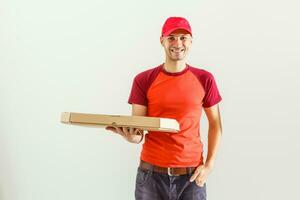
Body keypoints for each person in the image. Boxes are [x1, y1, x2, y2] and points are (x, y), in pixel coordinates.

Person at [105, 16, 223, 200]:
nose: (177, 43)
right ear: (162, 41)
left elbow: (215, 123)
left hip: (191, 178)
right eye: (171, 38)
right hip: (151, 177)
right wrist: (131, 136)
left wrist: (209, 164)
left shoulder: (204, 79)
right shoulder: (143, 80)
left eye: (183, 37)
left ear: (191, 41)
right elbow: (139, 131)